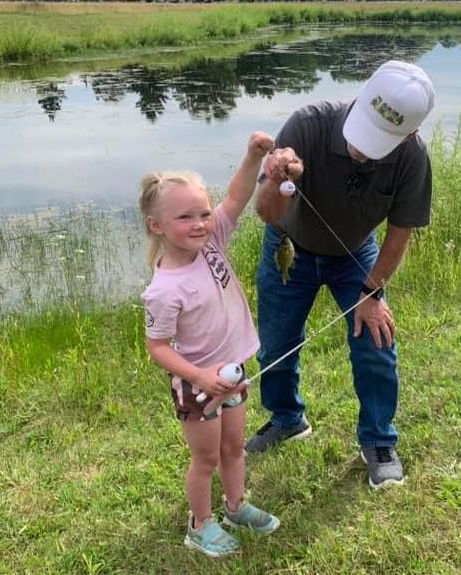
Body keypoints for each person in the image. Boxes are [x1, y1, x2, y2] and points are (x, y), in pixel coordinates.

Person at [245, 60, 436, 489]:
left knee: (375, 342)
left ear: (408, 134)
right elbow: (264, 213)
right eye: (364, 129)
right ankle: (287, 419)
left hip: (356, 257)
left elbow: (399, 233)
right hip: (287, 247)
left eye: (379, 141)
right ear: (362, 95)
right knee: (276, 343)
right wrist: (276, 181)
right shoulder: (307, 126)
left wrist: (372, 292)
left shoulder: (413, 157)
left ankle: (378, 440)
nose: (361, 150)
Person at [139, 132, 279, 557]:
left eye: (203, 212)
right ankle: (199, 525)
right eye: (185, 217)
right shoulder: (164, 290)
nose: (200, 222)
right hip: (197, 385)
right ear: (156, 226)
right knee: (206, 460)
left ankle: (235, 506)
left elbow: (236, 197)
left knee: (234, 447)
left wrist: (253, 156)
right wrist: (201, 376)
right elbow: (157, 347)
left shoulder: (211, 242)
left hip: (233, 371)